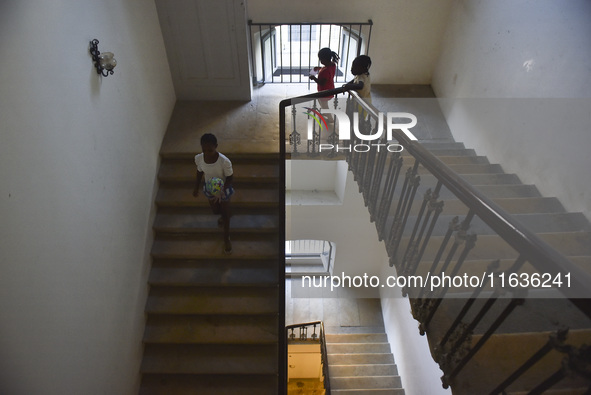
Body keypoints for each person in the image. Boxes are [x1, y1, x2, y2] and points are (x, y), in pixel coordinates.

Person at [192, 133, 234, 254]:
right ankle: (224, 214)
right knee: (215, 210)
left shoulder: (224, 162)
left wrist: (221, 191)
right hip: (210, 187)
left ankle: (226, 238)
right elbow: (199, 172)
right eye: (204, 150)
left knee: (225, 212)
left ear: (216, 146)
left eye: (210, 150)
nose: (207, 153)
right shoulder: (199, 159)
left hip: (223, 188)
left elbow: (230, 178)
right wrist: (196, 188)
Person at [309, 47, 340, 115]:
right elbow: (327, 70)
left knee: (324, 105)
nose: (320, 61)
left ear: (324, 59)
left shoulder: (325, 71)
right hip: (330, 89)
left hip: (325, 91)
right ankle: (325, 112)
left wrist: (314, 78)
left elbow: (322, 83)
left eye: (320, 59)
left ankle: (330, 119)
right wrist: (319, 68)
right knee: (320, 101)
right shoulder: (332, 65)